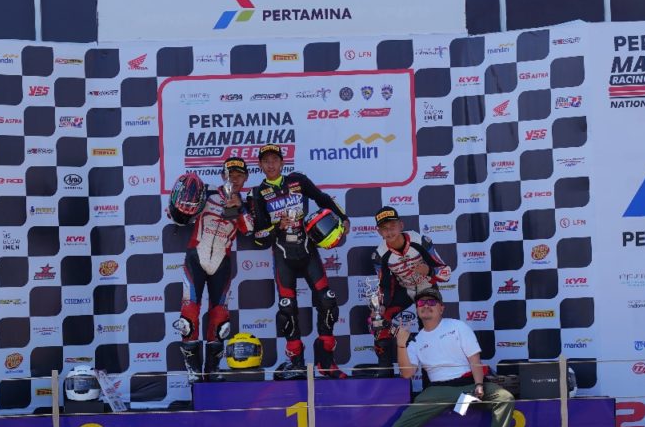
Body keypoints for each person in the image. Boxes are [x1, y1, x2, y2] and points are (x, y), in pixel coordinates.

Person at [353, 286, 518, 427]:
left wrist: (479, 384)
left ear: (441, 308)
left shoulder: (457, 326)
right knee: (412, 413)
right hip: (439, 390)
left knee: (505, 397)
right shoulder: (415, 341)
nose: (426, 305)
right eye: (421, 303)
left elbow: (474, 360)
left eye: (431, 302)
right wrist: (401, 344)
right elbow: (407, 373)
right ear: (417, 309)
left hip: (469, 387)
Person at [249, 143, 350, 380]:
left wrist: (343, 217)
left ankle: (326, 361)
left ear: (282, 163)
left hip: (308, 250)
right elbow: (258, 236)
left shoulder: (298, 180)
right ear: (260, 165)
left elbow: (323, 198)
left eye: (275, 160)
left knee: (327, 301)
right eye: (266, 161)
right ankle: (296, 363)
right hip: (283, 254)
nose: (271, 164)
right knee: (287, 309)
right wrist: (277, 227)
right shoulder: (257, 193)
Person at [169, 157, 253, 383]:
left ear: (246, 178)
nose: (234, 179)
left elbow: (250, 229)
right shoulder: (205, 194)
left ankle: (213, 369)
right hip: (195, 260)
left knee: (220, 318)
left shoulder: (247, 203)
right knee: (189, 315)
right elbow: (179, 213)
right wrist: (177, 210)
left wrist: (239, 207)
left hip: (221, 264)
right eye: (230, 175)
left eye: (239, 176)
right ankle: (194, 370)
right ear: (223, 176)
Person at [368, 206, 452, 377]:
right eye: (384, 228)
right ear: (379, 232)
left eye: (392, 226)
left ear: (401, 225)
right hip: (404, 290)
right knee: (378, 318)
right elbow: (385, 285)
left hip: (426, 287)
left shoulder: (420, 241)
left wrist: (429, 271)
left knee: (430, 325)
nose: (389, 231)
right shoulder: (379, 255)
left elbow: (446, 273)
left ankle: (433, 378)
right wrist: (381, 305)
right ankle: (385, 371)